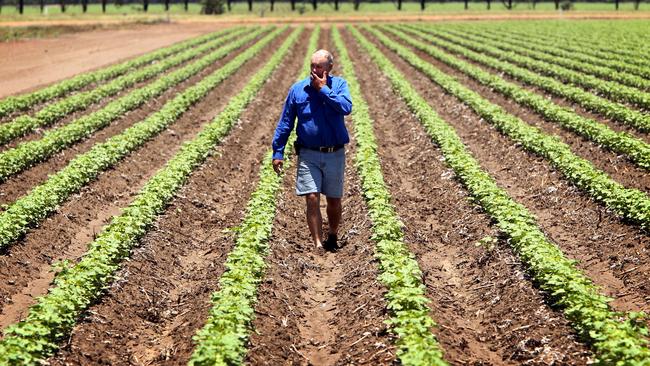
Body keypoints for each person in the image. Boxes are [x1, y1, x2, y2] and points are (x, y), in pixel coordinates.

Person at [271, 49, 352, 252]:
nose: (315, 70)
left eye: (320, 66)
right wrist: (278, 152)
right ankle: (317, 243)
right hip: (308, 153)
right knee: (312, 196)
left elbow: (346, 107)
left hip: (334, 152)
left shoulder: (339, 85)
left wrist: (324, 90)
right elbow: (286, 123)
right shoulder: (298, 90)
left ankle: (332, 234)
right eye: (313, 66)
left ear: (329, 68)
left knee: (334, 199)